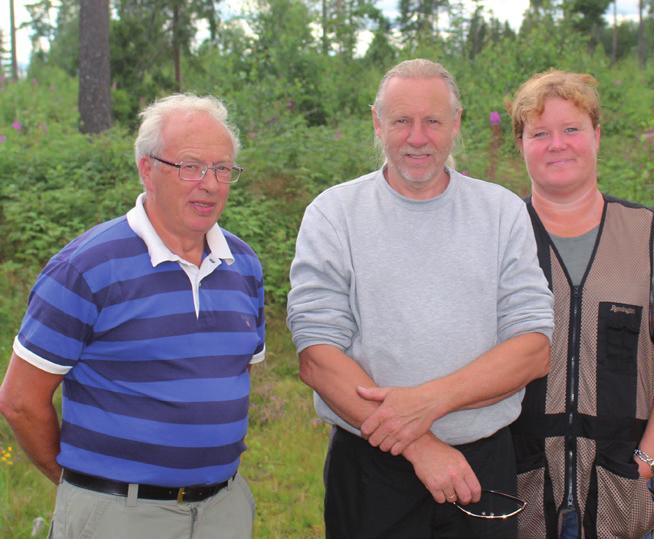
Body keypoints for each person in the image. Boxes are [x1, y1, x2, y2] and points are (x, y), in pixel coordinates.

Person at [286, 58, 555, 539]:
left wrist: (428, 403)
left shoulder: (502, 212)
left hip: (482, 464)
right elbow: (318, 358)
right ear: (376, 122)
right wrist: (420, 445)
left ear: (456, 124)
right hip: (369, 468)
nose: (417, 137)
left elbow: (533, 348)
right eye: (401, 121)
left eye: (432, 121)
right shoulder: (334, 214)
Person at [0, 94, 264, 539]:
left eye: (222, 169)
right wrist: (81, 487)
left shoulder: (243, 264)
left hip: (223, 509)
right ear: (147, 168)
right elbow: (20, 400)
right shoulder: (86, 267)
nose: (211, 184)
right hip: (119, 515)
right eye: (191, 166)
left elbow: (229, 380)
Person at [505, 70, 654, 539]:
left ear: (596, 135)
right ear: (521, 144)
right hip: (517, 484)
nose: (558, 144)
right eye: (540, 133)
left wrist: (648, 460)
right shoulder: (498, 236)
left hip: (618, 486)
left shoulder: (652, 236)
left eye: (571, 129)